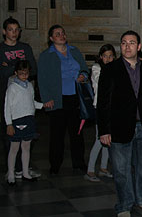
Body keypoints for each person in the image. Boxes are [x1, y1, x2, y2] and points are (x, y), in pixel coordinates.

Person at [97, 31, 142, 217]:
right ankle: (124, 205)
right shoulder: (110, 69)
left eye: (132, 43)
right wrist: (104, 130)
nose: (127, 46)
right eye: (124, 43)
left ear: (138, 46)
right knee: (121, 170)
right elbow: (103, 102)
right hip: (119, 126)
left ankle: (141, 199)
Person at [38, 24, 90, 175]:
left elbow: (84, 69)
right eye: (57, 34)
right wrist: (46, 98)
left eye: (63, 33)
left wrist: (83, 76)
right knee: (57, 135)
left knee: (77, 134)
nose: (61, 36)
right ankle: (55, 165)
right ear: (51, 38)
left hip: (75, 98)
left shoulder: (74, 51)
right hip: (57, 98)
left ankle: (79, 163)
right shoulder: (46, 55)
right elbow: (42, 79)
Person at [1, 17, 38, 179]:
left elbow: (33, 70)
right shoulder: (1, 49)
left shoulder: (25, 48)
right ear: (4, 31)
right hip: (6, 96)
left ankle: (23, 168)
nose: (14, 33)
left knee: (26, 140)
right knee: (9, 136)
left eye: (16, 30)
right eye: (10, 29)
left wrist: (9, 67)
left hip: (25, 99)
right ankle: (11, 169)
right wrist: (16, 67)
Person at [4, 60, 51, 186]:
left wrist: (43, 105)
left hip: (29, 119)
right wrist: (9, 123)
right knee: (14, 148)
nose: (24, 76)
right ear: (16, 73)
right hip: (16, 120)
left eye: (26, 73)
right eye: (21, 73)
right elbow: (7, 107)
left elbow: (31, 102)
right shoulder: (13, 88)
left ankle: (25, 173)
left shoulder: (29, 86)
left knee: (26, 147)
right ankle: (11, 174)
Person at [85, 44, 115, 182]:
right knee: (99, 138)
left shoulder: (115, 69)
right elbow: (101, 81)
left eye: (110, 56)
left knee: (109, 138)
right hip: (100, 107)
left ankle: (103, 168)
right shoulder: (97, 68)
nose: (108, 59)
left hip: (112, 107)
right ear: (100, 57)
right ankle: (90, 170)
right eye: (105, 56)